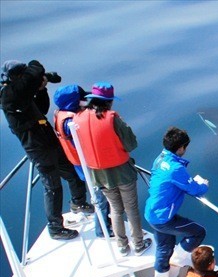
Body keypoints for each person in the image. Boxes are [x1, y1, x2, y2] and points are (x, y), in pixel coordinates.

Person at [0, 59, 92, 240]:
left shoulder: (22, 96)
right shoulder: (8, 95)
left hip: (48, 142)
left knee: (73, 172)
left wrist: (41, 89)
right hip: (37, 148)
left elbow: (41, 108)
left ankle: (78, 203)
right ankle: (55, 227)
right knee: (52, 187)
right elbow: (34, 68)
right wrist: (37, 74)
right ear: (17, 78)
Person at [73, 82, 151, 256]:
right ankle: (138, 244)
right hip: (122, 172)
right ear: (109, 101)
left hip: (98, 175)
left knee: (115, 209)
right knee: (131, 209)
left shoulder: (77, 118)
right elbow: (131, 144)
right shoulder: (112, 118)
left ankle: (122, 247)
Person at [144, 126, 209, 277]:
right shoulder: (176, 168)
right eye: (185, 146)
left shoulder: (160, 158)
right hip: (164, 218)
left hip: (152, 213)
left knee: (164, 247)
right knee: (199, 232)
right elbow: (194, 190)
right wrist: (204, 185)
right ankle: (180, 257)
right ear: (180, 148)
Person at [52, 84, 112, 238]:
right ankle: (103, 230)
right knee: (101, 197)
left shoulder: (60, 114)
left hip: (77, 163)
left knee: (99, 195)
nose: (84, 101)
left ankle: (105, 225)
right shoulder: (70, 122)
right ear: (73, 102)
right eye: (81, 99)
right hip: (87, 165)